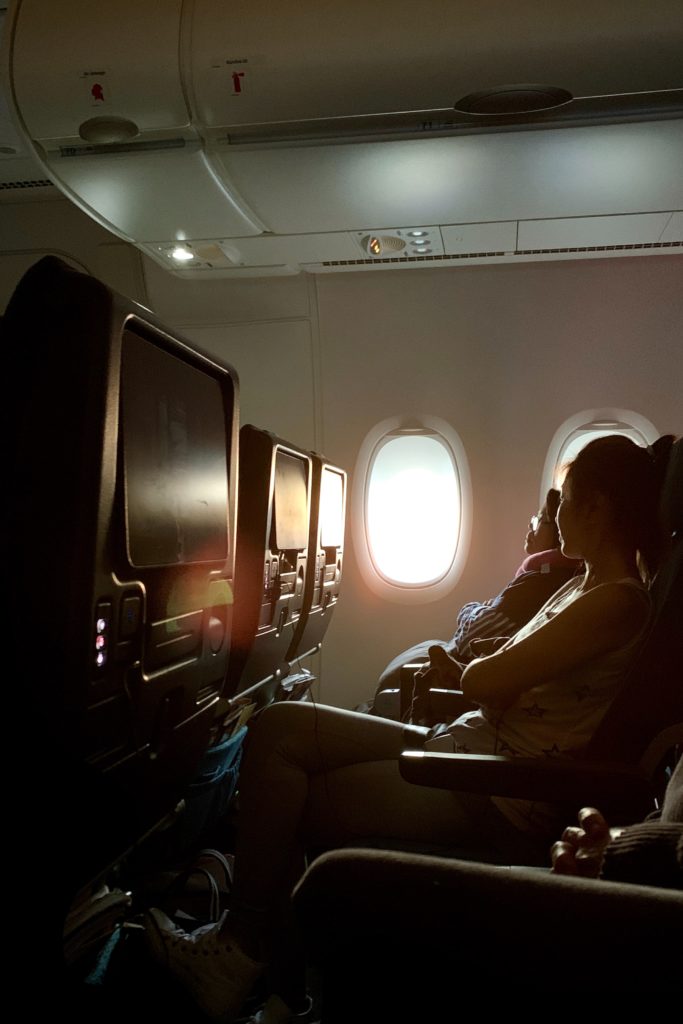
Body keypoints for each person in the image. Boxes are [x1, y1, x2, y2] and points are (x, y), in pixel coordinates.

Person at [145, 434, 674, 1022]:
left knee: (292, 800)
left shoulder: (617, 601)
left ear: (599, 505)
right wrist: (482, 672)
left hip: (498, 787)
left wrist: (478, 672)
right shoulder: (581, 585)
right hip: (471, 743)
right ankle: (251, 960)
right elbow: (503, 675)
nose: (556, 512)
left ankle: (264, 976)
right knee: (279, 726)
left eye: (567, 499)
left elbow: (492, 682)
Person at [370, 487, 580, 717]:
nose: (530, 527)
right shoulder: (544, 575)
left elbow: (476, 634)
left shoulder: (544, 581)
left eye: (538, 521)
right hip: (469, 669)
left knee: (382, 694)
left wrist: (471, 609)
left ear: (556, 530)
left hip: (468, 677)